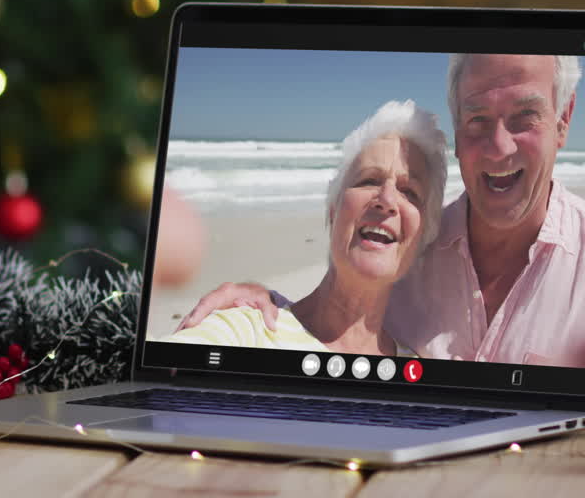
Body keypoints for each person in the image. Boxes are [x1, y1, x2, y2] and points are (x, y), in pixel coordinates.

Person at [178, 54, 585, 366]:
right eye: (477, 118)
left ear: (563, 120)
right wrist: (259, 302)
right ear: (458, 128)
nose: (500, 146)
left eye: (524, 117)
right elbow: (326, 316)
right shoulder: (410, 249)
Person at [162, 101, 447, 354]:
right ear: (334, 211)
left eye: (410, 192)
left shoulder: (415, 371)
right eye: (368, 180)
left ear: (424, 235)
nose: (386, 200)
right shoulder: (249, 329)